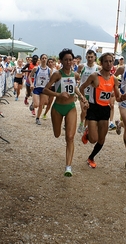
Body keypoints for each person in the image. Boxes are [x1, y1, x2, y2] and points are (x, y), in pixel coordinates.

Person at [42, 48, 87, 177]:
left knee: (70, 137)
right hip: (57, 108)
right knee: (57, 134)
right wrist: (58, 94)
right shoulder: (57, 74)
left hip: (71, 107)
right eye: (66, 60)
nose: (68, 62)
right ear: (61, 61)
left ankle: (68, 167)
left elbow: (75, 87)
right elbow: (45, 90)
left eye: (70, 60)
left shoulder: (75, 75)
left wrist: (82, 98)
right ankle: (58, 128)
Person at [79, 52, 126, 168]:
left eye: (111, 61)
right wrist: (85, 100)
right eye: (106, 61)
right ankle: (88, 133)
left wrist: (122, 97)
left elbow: (118, 97)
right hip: (94, 109)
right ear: (101, 62)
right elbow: (82, 87)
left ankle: (91, 157)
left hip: (105, 110)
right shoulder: (95, 76)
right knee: (93, 140)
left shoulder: (114, 79)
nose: (109, 63)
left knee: (101, 139)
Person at [76, 49, 100, 133]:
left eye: (91, 57)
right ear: (86, 57)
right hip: (82, 91)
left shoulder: (98, 68)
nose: (90, 59)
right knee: (84, 110)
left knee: (89, 111)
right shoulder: (81, 66)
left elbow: (101, 79)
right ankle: (81, 123)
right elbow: (76, 75)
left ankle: (86, 127)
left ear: (95, 57)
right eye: (88, 57)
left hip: (93, 93)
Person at [30, 54, 51, 125]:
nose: (44, 59)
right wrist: (31, 84)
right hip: (36, 88)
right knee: (37, 105)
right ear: (40, 59)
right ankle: (33, 105)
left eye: (45, 58)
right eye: (43, 58)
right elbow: (30, 76)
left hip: (44, 89)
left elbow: (51, 80)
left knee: (42, 104)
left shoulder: (49, 70)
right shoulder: (36, 68)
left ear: (47, 59)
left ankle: (38, 118)